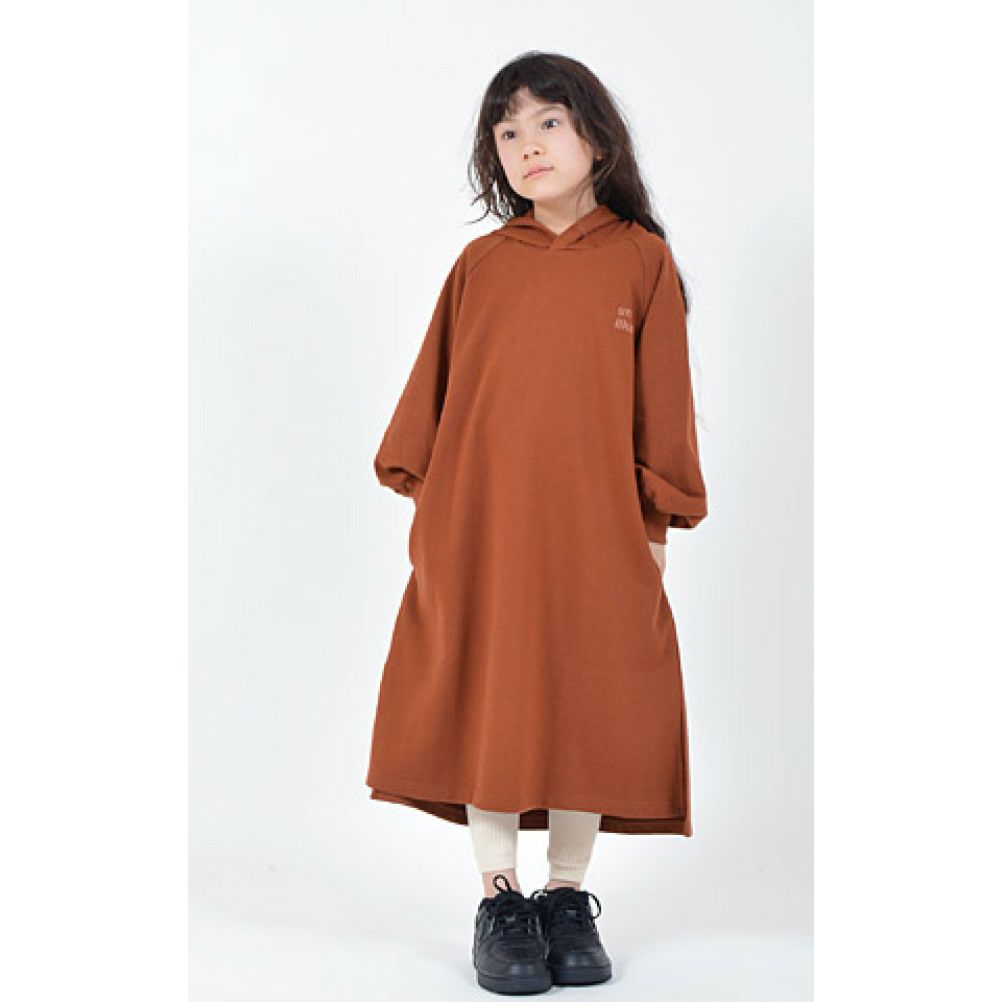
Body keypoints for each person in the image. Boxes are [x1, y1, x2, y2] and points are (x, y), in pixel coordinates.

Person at [366, 50, 708, 995]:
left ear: (596, 134)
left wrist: (655, 528)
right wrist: (437, 517)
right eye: (507, 132)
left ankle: (565, 893)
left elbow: (664, 407)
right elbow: (432, 399)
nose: (527, 145)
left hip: (599, 526)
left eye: (547, 122)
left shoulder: (641, 260)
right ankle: (500, 897)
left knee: (585, 692)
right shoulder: (480, 265)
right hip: (479, 523)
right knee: (493, 688)